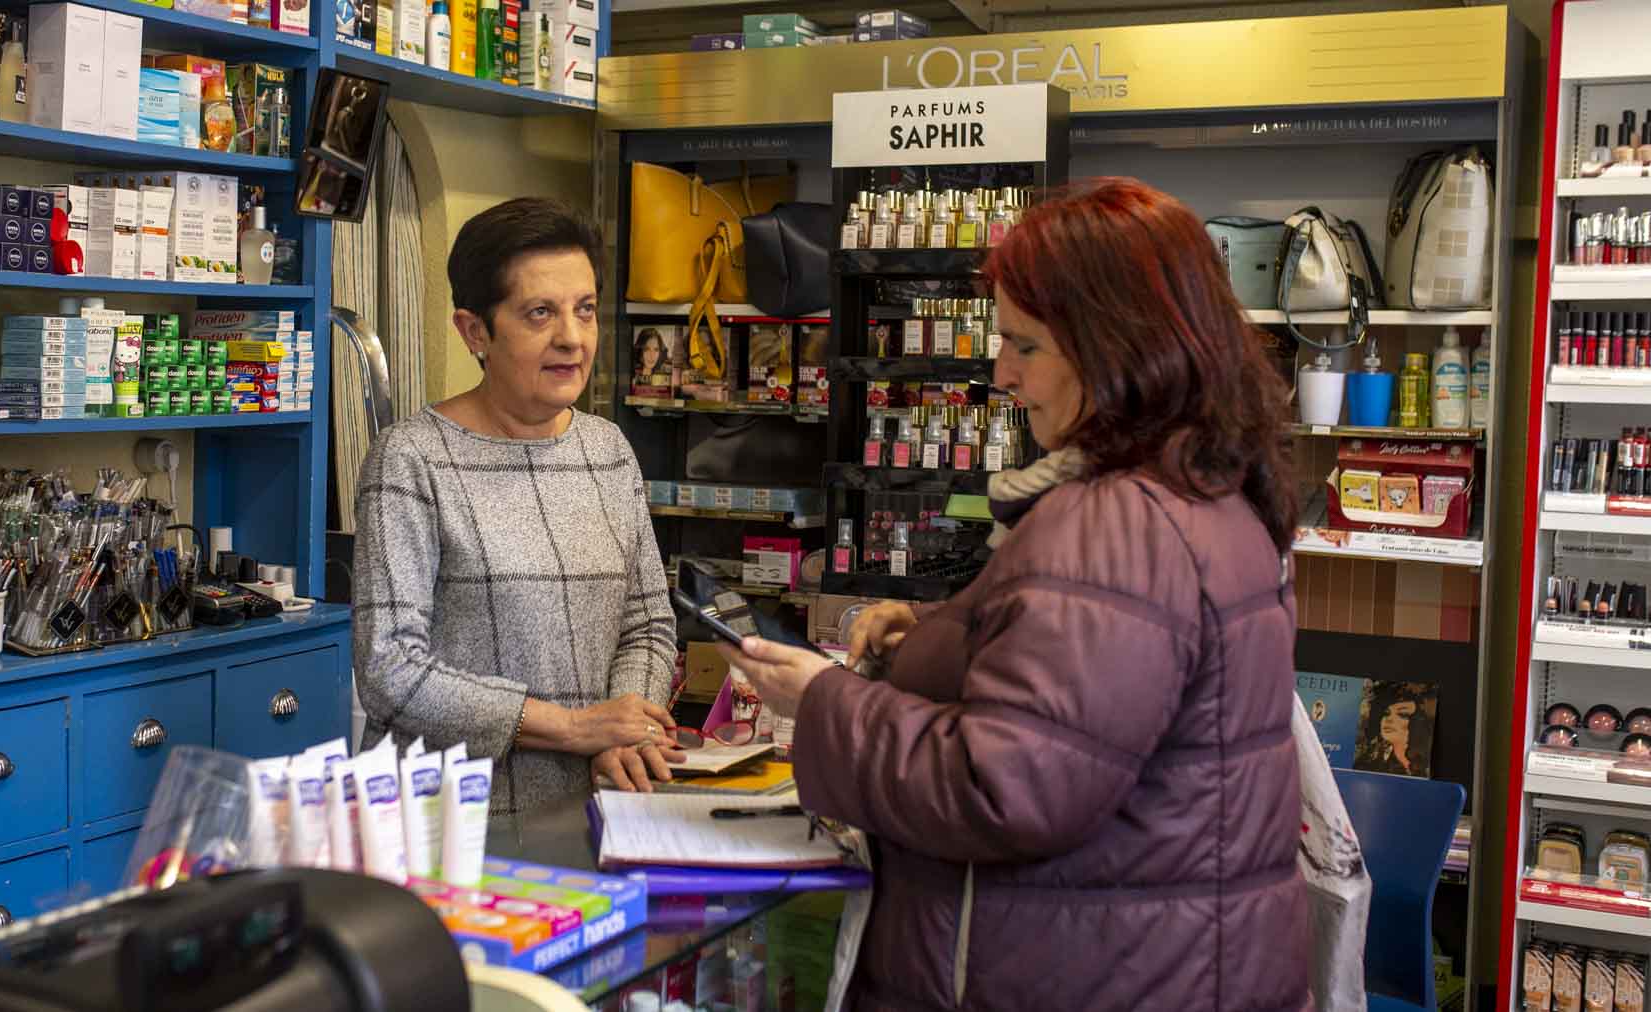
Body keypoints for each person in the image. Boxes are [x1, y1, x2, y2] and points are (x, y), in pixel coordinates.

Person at [720, 178, 1311, 1012]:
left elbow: (1007, 790)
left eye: (1024, 346)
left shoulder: (1116, 524)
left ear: (1117, 347)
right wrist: (943, 635)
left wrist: (825, 701)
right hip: (1162, 964)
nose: (1001, 374)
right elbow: (1103, 682)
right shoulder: (1203, 487)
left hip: (1080, 972)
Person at [353, 197, 683, 816]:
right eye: (540, 313)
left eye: (585, 311)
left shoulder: (606, 449)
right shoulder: (412, 459)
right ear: (475, 331)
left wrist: (625, 731)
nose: (572, 338)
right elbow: (389, 670)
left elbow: (646, 624)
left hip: (589, 805)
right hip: (444, 817)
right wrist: (574, 727)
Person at [1356, 682, 1434, 777]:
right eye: (1386, 713)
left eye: (1402, 714)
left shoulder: (1426, 766)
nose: (1388, 719)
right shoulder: (1369, 764)